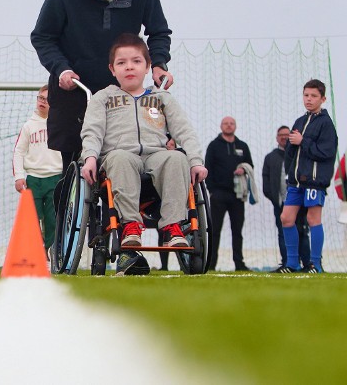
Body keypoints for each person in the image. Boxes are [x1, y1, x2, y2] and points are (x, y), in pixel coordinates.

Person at [31, 0, 172, 173]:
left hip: (123, 97)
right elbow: (43, 37)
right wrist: (61, 69)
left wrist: (159, 63)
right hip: (76, 96)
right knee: (73, 173)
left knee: (128, 164)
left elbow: (158, 32)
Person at [80, 34, 208, 276]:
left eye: (136, 61)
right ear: (112, 69)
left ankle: (172, 228)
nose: (129, 66)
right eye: (122, 62)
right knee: (120, 157)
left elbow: (184, 131)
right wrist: (89, 158)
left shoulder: (161, 98)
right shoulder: (103, 97)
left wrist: (196, 162)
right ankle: (130, 226)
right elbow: (92, 131)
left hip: (156, 157)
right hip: (119, 157)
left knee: (177, 158)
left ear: (148, 67)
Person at [273, 79, 338, 274]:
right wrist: (291, 170)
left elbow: (327, 152)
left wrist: (303, 141)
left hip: (314, 182)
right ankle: (292, 264)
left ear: (323, 98)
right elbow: (291, 153)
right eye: (306, 95)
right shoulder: (300, 121)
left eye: (314, 96)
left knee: (313, 219)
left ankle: (315, 265)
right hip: (296, 182)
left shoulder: (326, 124)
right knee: (286, 218)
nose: (309, 99)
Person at [13, 85, 63, 258]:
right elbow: (18, 152)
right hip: (34, 178)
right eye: (40, 98)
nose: (43, 102)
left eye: (47, 99)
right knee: (32, 217)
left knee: (52, 218)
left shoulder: (59, 123)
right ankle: (32, 250)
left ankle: (50, 252)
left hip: (56, 177)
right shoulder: (28, 126)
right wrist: (19, 176)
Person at [205, 116, 253, 271]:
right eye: (226, 123)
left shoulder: (243, 146)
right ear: (221, 126)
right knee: (215, 231)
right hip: (218, 194)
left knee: (237, 231)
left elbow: (250, 165)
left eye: (232, 123)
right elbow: (207, 168)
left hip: (237, 196)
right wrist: (212, 190)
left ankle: (239, 263)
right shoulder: (213, 146)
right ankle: (211, 264)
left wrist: (244, 169)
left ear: (236, 126)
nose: (229, 126)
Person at [262, 125, 310, 269]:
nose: (284, 137)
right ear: (277, 138)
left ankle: (307, 263)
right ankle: (288, 263)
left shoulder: (299, 154)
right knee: (283, 233)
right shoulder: (270, 157)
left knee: (302, 231)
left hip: (300, 201)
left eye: (286, 134)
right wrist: (273, 197)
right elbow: (266, 179)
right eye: (281, 135)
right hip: (281, 202)